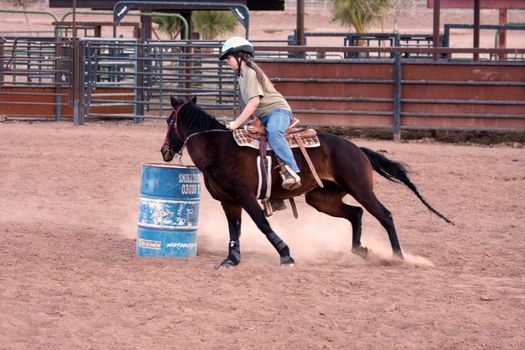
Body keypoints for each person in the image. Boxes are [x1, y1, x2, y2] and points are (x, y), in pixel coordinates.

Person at [220, 37, 301, 190]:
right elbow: (251, 105)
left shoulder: (250, 74)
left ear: (239, 56)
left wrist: (237, 123)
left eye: (228, 57)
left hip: (278, 111)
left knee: (274, 132)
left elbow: (254, 102)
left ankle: (292, 170)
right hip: (264, 116)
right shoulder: (242, 77)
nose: (227, 61)